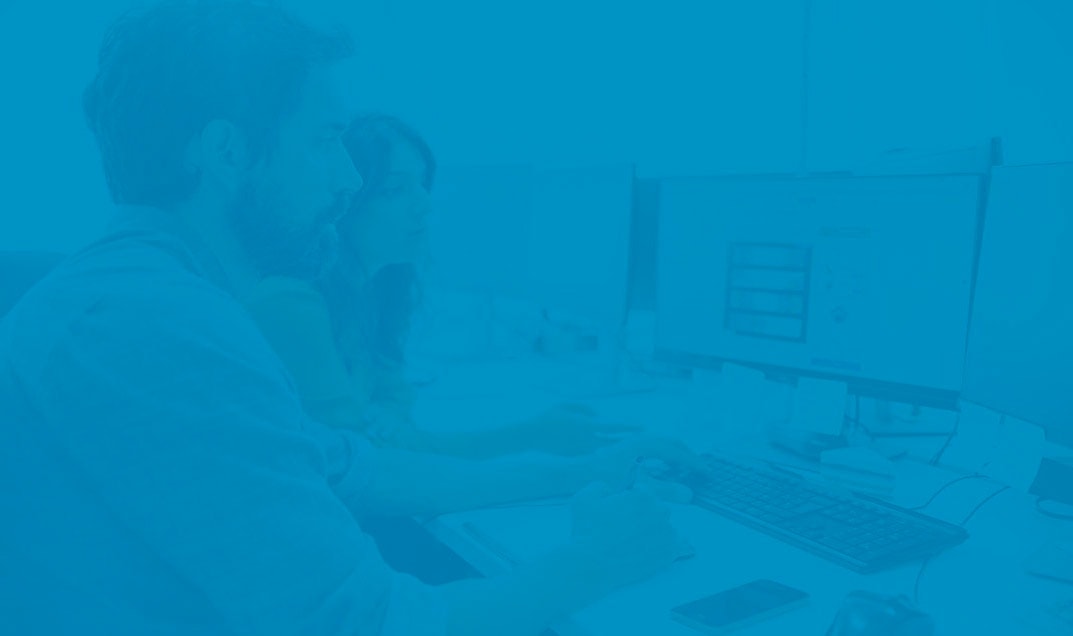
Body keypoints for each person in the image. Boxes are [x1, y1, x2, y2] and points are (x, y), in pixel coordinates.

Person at [0, 3, 692, 635]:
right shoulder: (159, 324)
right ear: (227, 152)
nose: (350, 177)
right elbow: (368, 624)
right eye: (324, 140)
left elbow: (352, 468)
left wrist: (575, 472)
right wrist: (596, 562)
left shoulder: (149, 295)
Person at [244, 114, 639, 459]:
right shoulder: (293, 302)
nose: (424, 204)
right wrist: (531, 436)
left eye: (422, 184)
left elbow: (393, 398)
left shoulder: (374, 291)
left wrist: (388, 417)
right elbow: (366, 463)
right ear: (343, 204)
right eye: (394, 190)